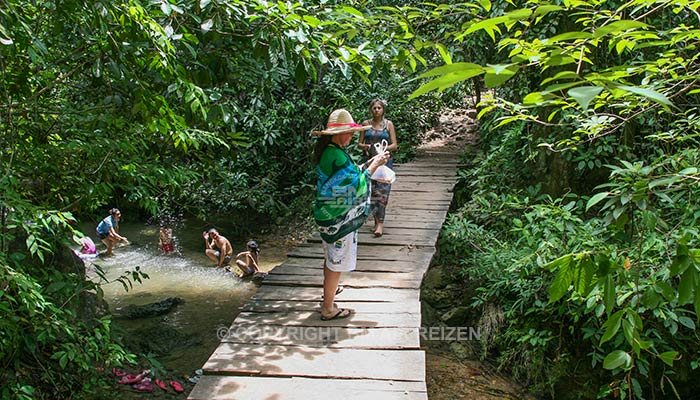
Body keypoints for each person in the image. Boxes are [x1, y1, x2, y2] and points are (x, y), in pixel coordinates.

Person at [312, 108, 389, 321]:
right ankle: (328, 308)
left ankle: (328, 296)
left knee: (330, 258)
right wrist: (375, 163)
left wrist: (372, 162)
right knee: (336, 261)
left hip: (327, 213)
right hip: (338, 217)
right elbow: (355, 183)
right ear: (338, 133)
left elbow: (351, 174)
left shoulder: (330, 151)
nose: (352, 135)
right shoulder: (335, 153)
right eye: (349, 132)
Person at [358, 98, 398, 237]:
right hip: (369, 162)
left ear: (383, 110)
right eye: (374, 108)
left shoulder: (388, 124)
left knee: (383, 192)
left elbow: (395, 145)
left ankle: (380, 223)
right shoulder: (366, 124)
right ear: (371, 110)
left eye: (379, 108)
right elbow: (359, 143)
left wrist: (383, 148)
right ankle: (376, 221)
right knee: (371, 191)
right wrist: (367, 147)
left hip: (384, 162)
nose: (376, 110)